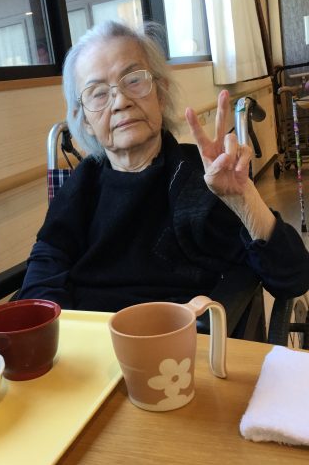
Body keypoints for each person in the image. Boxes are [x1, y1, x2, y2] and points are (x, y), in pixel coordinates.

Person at [18, 20, 309, 315]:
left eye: (134, 80)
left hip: (181, 335)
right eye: (98, 92)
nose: (120, 102)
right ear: (84, 120)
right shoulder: (81, 185)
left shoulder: (203, 177)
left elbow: (292, 277)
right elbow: (44, 272)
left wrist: (244, 200)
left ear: (161, 93)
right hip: (93, 335)